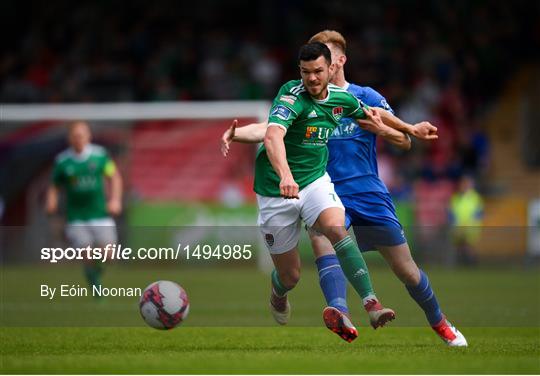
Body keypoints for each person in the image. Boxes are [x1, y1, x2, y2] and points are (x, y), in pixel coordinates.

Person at [222, 30, 467, 347]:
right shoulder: (296, 97)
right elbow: (271, 130)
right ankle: (343, 310)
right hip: (319, 187)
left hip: (367, 192)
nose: (318, 69)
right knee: (325, 239)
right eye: (309, 67)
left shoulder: (362, 97)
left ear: (339, 60)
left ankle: (441, 323)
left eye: (329, 56)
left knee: (407, 270)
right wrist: (238, 134)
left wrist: (387, 130)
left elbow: (405, 141)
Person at [45, 121, 122, 296]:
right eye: (75, 135)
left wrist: (115, 199)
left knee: (109, 255)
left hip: (100, 213)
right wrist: (51, 201)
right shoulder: (63, 161)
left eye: (82, 135)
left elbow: (114, 177)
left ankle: (95, 274)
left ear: (89, 136)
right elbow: (54, 185)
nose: (79, 138)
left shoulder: (100, 156)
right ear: (70, 138)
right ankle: (96, 288)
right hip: (76, 217)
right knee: (87, 255)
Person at [449, 174, 484, 266]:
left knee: (469, 246)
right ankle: (461, 264)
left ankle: (472, 264)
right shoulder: (456, 198)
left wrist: (470, 222)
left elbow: (479, 213)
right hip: (458, 226)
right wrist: (455, 223)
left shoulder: (475, 198)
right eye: (463, 183)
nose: (465, 185)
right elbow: (451, 213)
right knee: (459, 246)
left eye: (467, 183)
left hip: (471, 227)